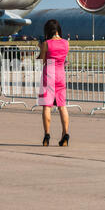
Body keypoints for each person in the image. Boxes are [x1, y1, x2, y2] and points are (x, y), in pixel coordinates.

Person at [38, 19, 69, 147]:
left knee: (47, 106)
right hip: (60, 73)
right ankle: (65, 133)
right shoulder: (66, 43)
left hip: (49, 72)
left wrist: (40, 47)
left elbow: (43, 59)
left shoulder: (47, 43)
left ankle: (47, 134)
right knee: (62, 106)